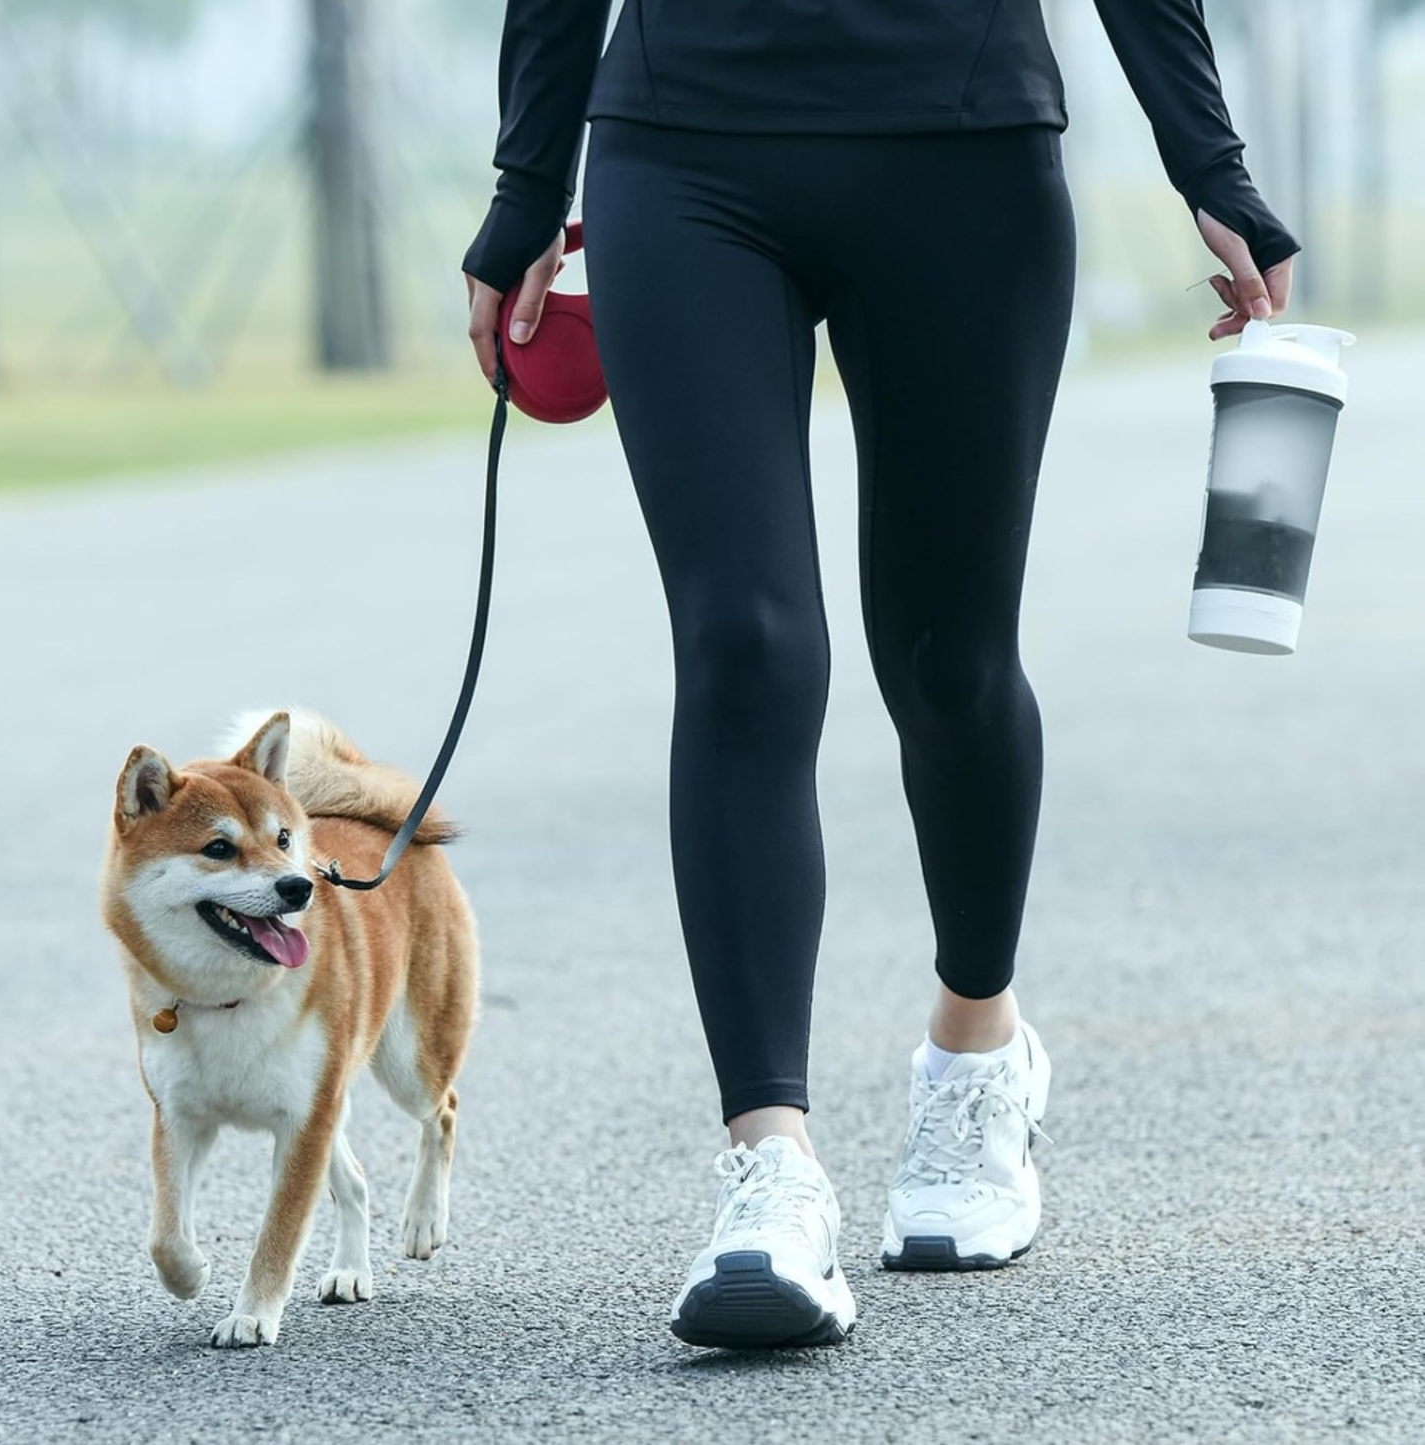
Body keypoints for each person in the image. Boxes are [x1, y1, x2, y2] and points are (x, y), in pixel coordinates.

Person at [463, 0, 1298, 1350]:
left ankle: (978, 1055)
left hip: (963, 155)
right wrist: (524, 186)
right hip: (682, 151)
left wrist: (1210, 163)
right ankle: (768, 1168)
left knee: (949, 659)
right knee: (744, 642)